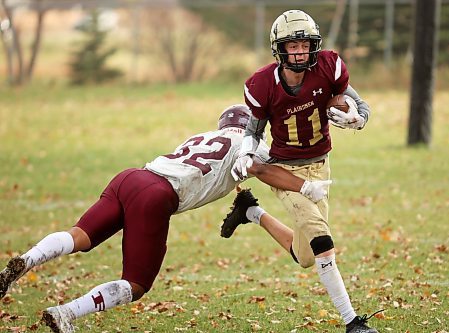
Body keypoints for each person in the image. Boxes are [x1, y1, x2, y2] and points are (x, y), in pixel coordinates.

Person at [0, 104, 331, 333]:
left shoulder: (201, 137)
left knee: (79, 237)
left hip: (131, 177)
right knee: (137, 284)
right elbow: (262, 168)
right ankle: (67, 313)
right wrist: (304, 184)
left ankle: (25, 260)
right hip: (156, 196)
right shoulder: (248, 144)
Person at [228, 9, 378, 333]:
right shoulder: (262, 84)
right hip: (286, 171)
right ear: (279, 49)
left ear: (314, 45)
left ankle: (251, 213)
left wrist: (357, 118)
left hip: (322, 166)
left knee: (307, 256)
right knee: (322, 239)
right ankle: (352, 322)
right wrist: (245, 153)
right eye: (292, 46)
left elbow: (360, 105)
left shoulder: (328, 67)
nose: (299, 52)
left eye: (304, 45)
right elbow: (253, 132)